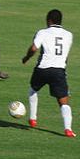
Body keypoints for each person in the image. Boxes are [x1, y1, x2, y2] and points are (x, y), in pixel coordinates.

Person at [21, 9, 76, 137]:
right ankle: (68, 129)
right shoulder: (69, 35)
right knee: (63, 102)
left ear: (49, 20)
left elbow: (34, 48)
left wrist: (26, 58)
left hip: (42, 69)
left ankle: (33, 118)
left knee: (33, 90)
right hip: (59, 71)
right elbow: (65, 55)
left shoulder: (43, 32)